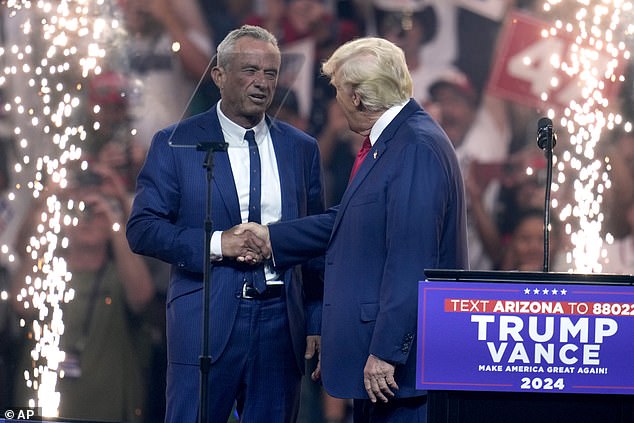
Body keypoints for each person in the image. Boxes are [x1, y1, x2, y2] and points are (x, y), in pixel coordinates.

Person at [233, 36, 468, 423]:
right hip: (381, 369)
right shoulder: (394, 142)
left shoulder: (416, 148)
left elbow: (412, 260)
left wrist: (387, 352)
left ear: (357, 97)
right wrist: (272, 238)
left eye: (339, 91)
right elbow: (351, 218)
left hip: (400, 375)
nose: (336, 105)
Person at [126, 25, 324, 423]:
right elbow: (143, 228)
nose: (262, 83)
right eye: (250, 70)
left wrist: (316, 319)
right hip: (205, 320)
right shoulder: (175, 142)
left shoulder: (301, 148)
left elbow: (314, 241)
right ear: (218, 75)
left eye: (271, 73)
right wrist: (218, 243)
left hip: (280, 324)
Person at [12, 163, 156, 422]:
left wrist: (115, 216)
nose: (87, 218)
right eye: (79, 211)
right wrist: (49, 202)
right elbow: (22, 302)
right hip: (43, 412)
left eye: (95, 210)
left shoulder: (120, 274)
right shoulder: (48, 269)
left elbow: (142, 297)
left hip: (107, 413)